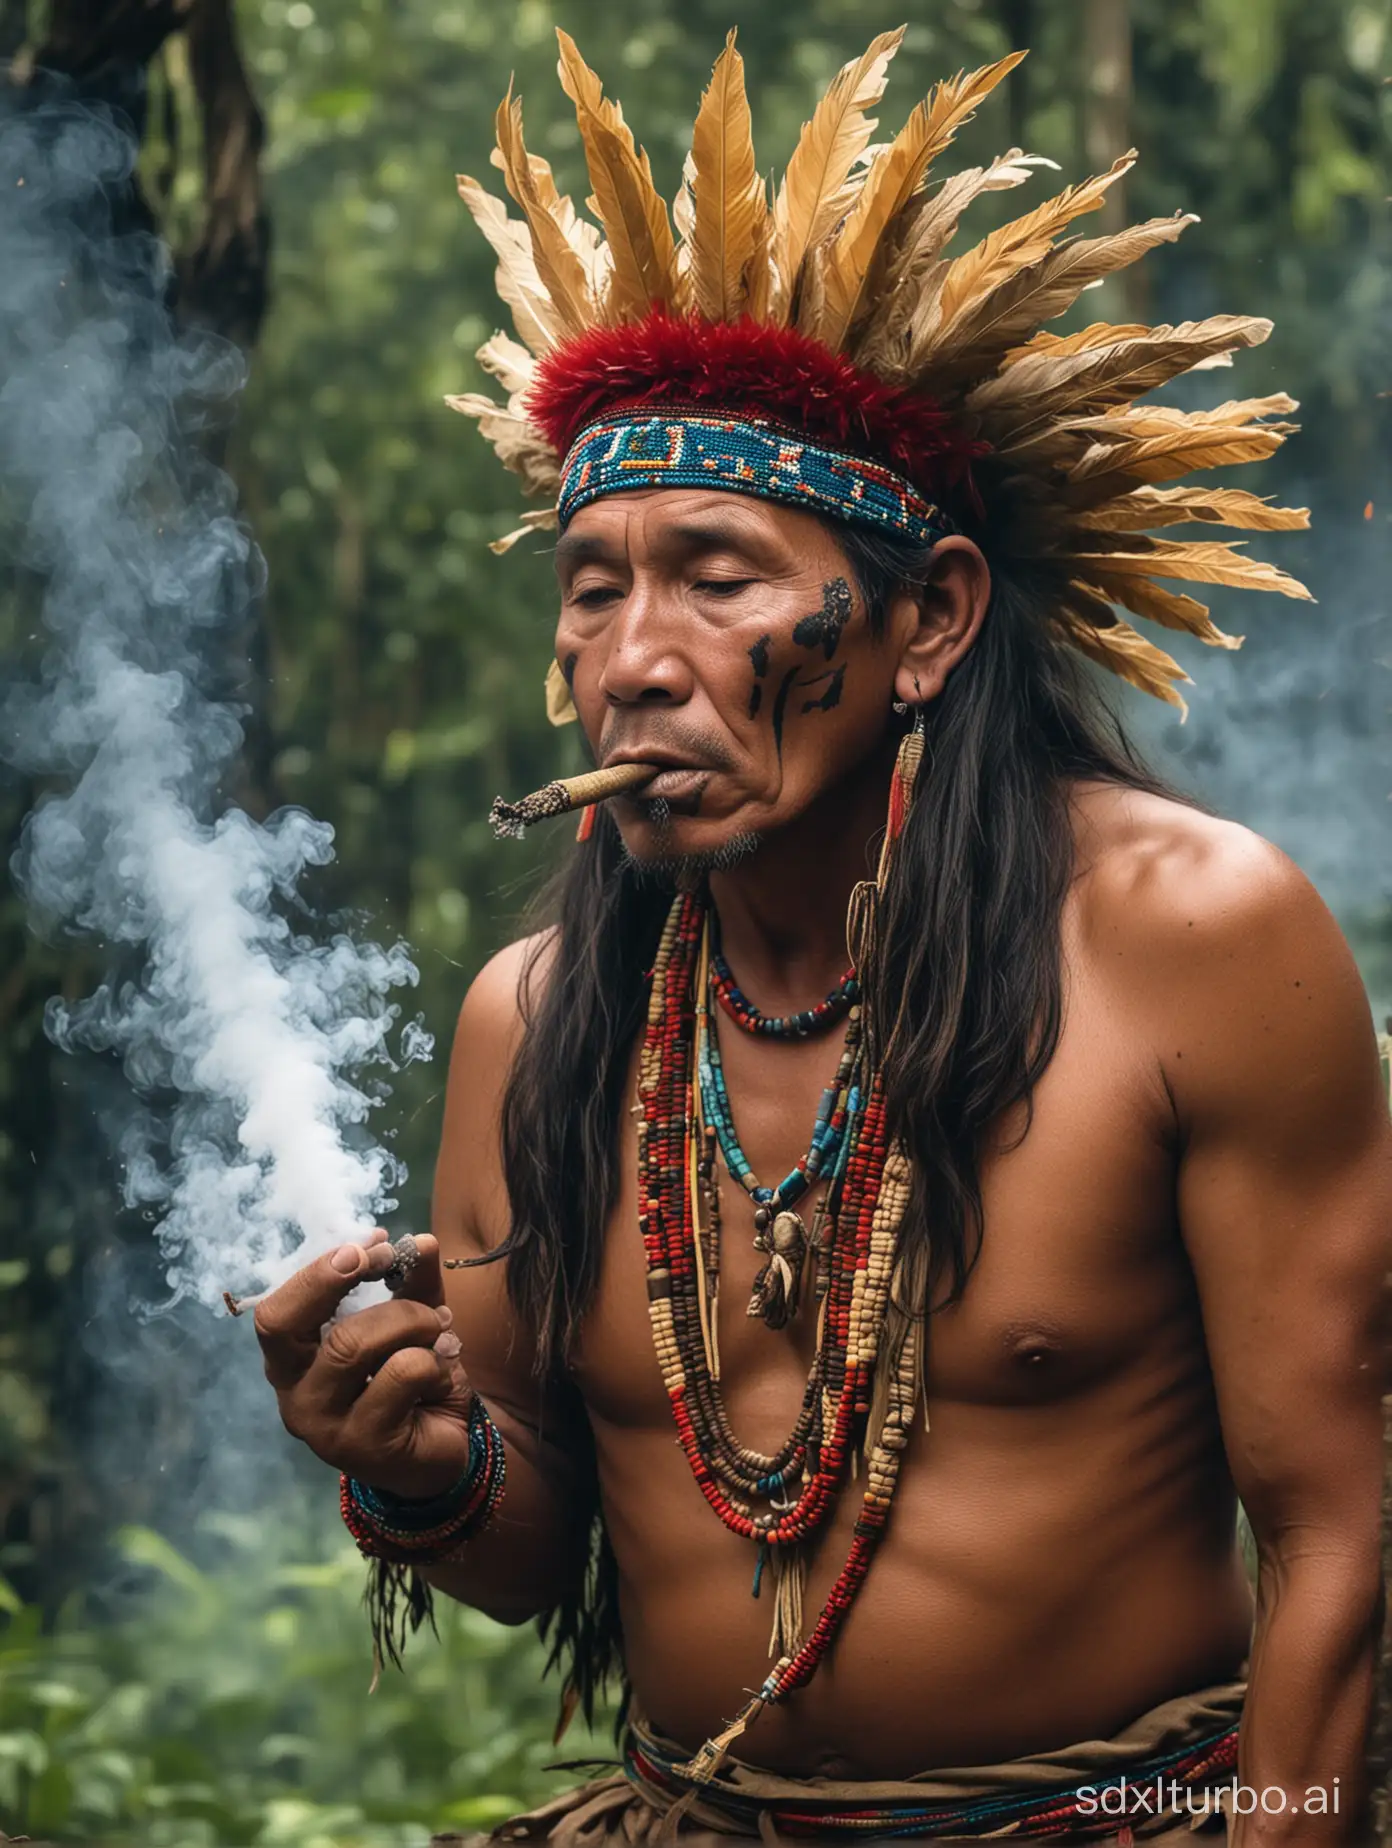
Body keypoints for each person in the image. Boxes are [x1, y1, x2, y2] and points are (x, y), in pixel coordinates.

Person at [250, 28, 1392, 1847]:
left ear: (927, 620)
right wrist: (421, 1466)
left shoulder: (1189, 940)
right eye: (593, 586)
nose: (633, 658)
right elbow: (536, 1559)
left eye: (717, 576)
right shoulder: (536, 1023)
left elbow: (1343, 1519)